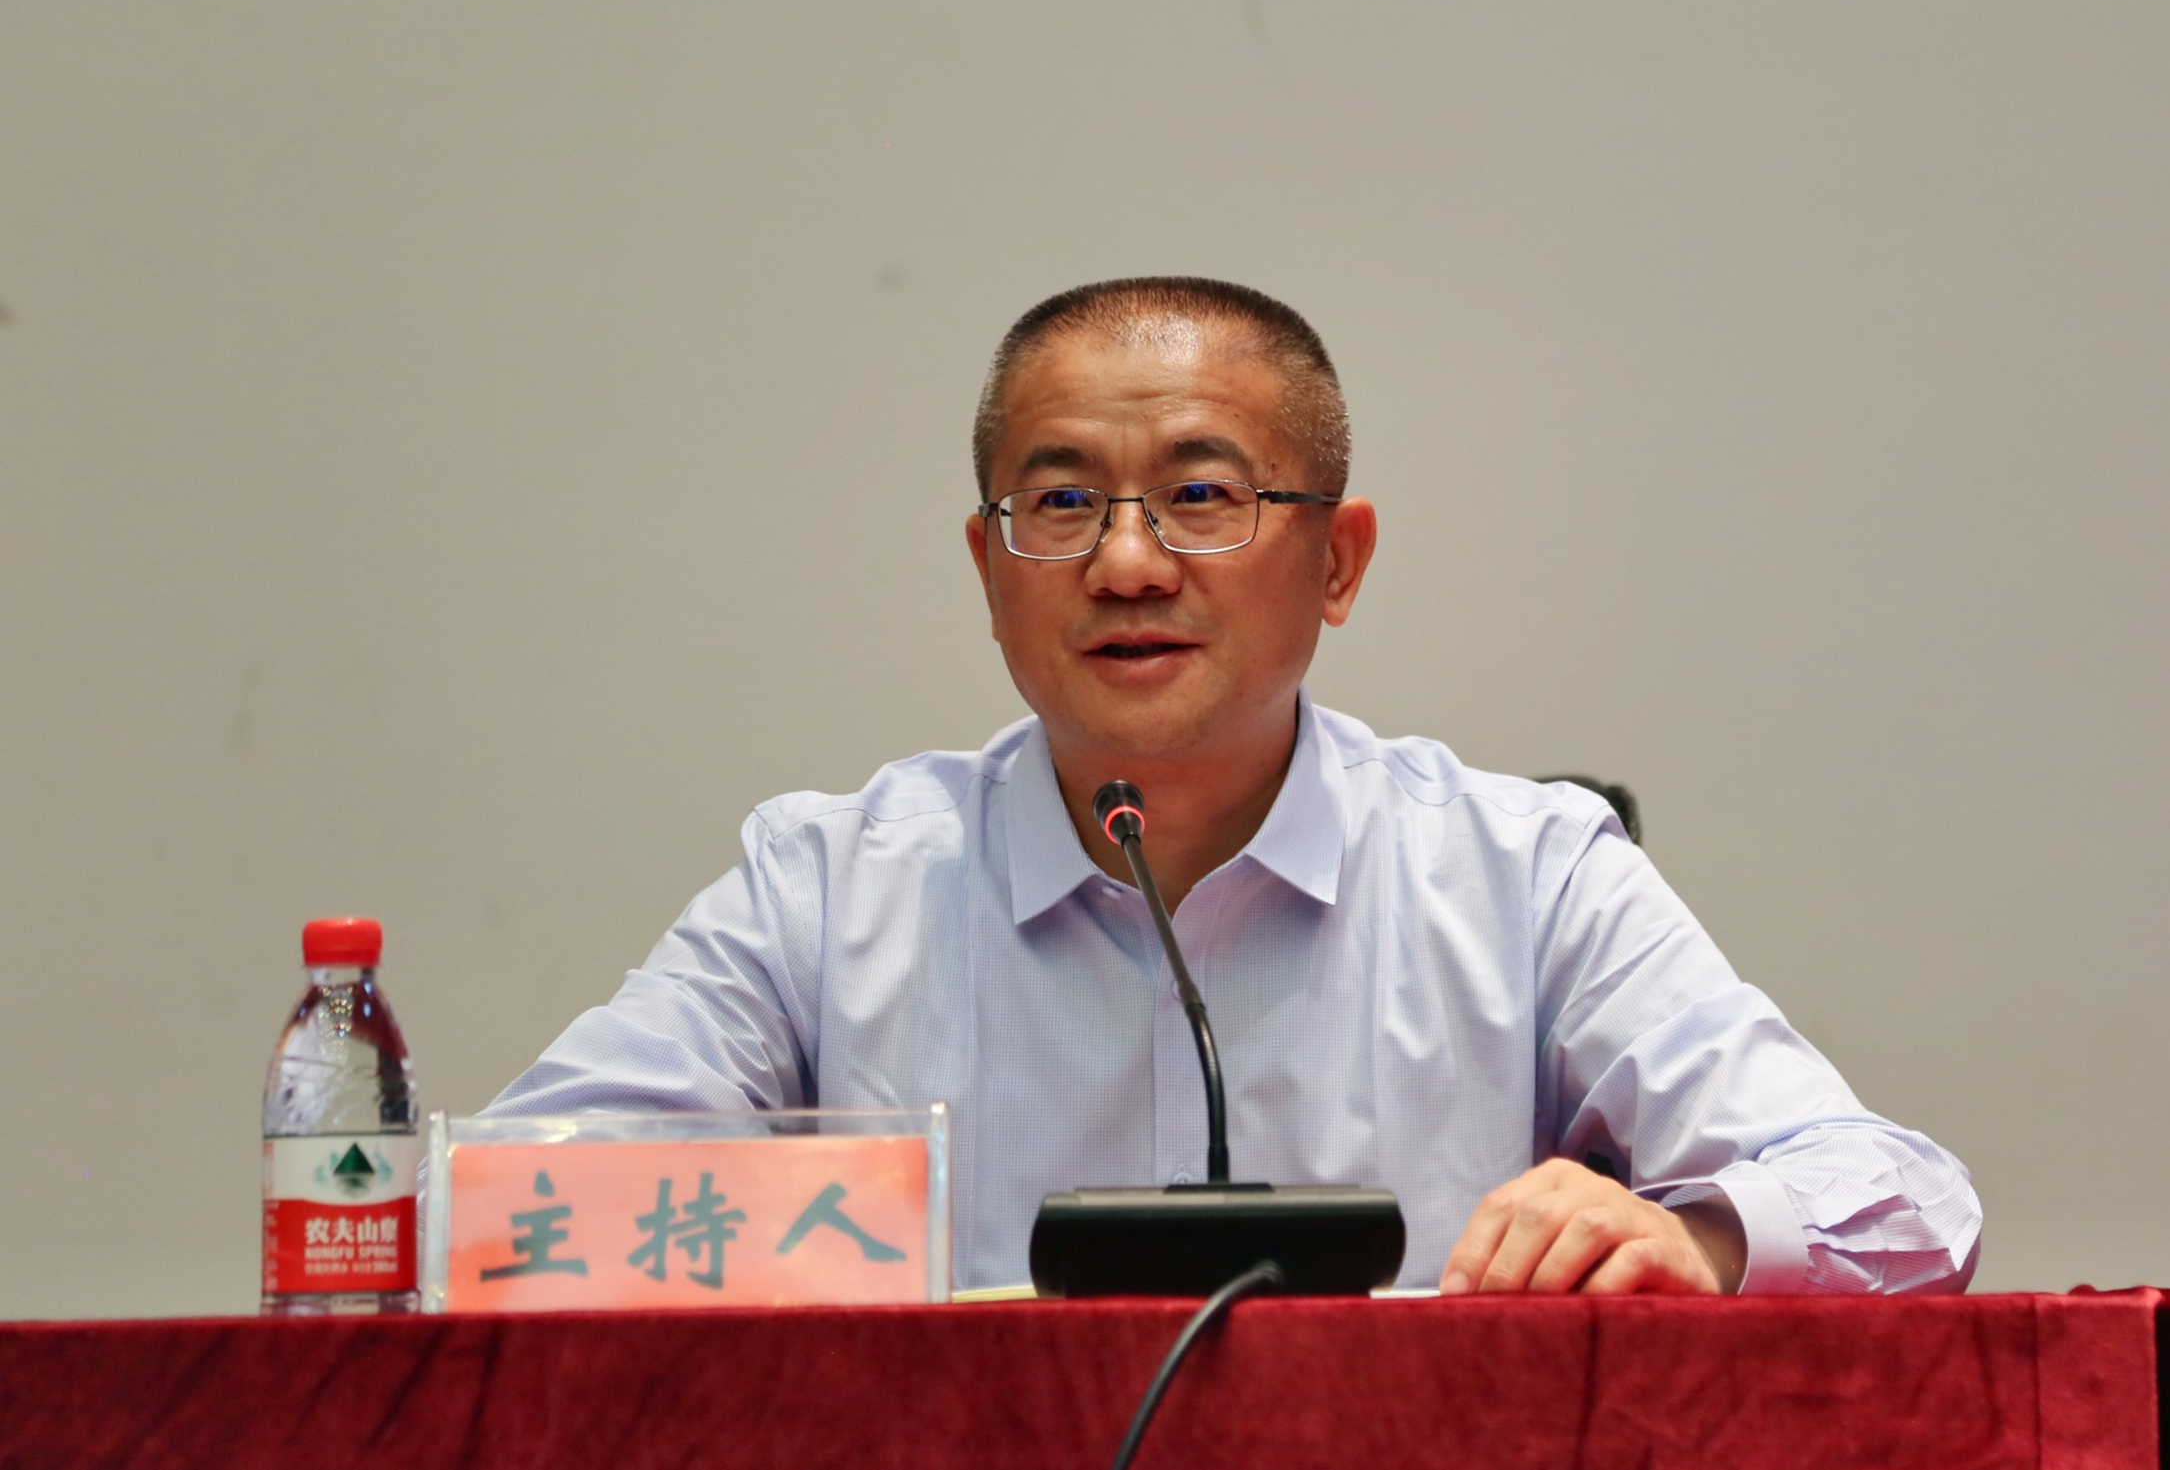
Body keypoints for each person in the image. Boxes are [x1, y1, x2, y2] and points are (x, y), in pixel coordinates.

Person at [488, 277, 1982, 1295]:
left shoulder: (1521, 873)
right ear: (989, 569)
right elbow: (504, 1213)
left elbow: (1902, 1200)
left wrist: (1695, 1239)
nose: (1128, 563)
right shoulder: (828, 889)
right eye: (1061, 501)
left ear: (1337, 561)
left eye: (1201, 496)